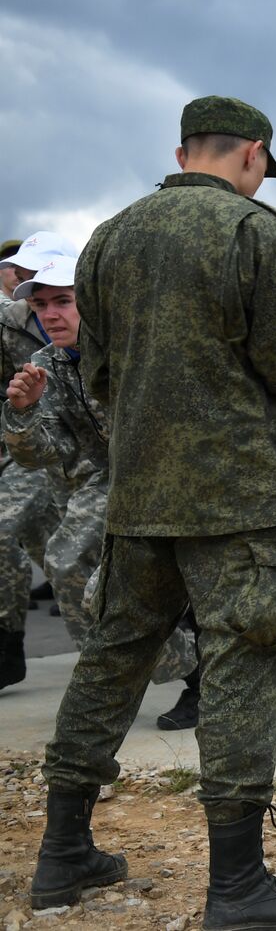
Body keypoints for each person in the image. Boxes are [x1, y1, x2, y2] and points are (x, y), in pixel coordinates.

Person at [33, 96, 276, 928]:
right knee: (242, 660)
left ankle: (62, 850)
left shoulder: (108, 238)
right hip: (237, 496)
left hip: (138, 493)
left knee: (111, 658)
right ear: (252, 153)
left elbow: (94, 373)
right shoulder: (255, 232)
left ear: (181, 153)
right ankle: (238, 882)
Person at [1, 257, 201, 724]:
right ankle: (114, 675)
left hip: (171, 472)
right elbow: (40, 454)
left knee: (106, 590)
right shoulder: (44, 363)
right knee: (63, 561)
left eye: (63, 302)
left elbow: (219, 394)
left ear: (91, 301)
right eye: (41, 304)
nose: (50, 314)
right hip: (109, 478)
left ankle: (199, 675)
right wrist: (22, 412)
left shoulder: (135, 346)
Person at [0, 232, 73, 689]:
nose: (33, 282)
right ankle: (7, 647)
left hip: (91, 458)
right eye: (26, 273)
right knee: (13, 532)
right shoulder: (9, 322)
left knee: (77, 566)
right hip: (30, 450)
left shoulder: (105, 316)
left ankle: (189, 658)